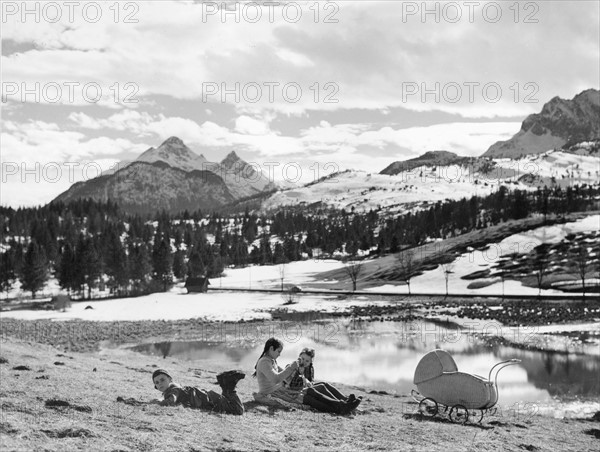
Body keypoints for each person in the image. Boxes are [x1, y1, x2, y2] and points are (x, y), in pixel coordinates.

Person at [253, 338, 361, 415]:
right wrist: (291, 368)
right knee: (308, 397)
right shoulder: (264, 362)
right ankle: (339, 407)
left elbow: (284, 373)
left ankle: (343, 403)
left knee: (317, 389)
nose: (280, 354)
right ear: (271, 349)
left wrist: (295, 372)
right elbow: (275, 378)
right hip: (273, 393)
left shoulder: (271, 360)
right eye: (278, 351)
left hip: (281, 390)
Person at [151, 368, 245, 415]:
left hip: (209, 401)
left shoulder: (173, 390)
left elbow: (171, 399)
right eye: (157, 382)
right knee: (228, 402)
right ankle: (225, 383)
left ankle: (230, 385)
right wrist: (159, 399)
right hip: (207, 396)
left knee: (238, 410)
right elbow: (167, 395)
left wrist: (160, 403)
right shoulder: (173, 387)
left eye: (162, 380)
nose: (159, 384)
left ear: (170, 379)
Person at [285, 347, 361, 403]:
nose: (304, 362)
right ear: (299, 357)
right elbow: (292, 383)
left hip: (307, 387)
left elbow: (310, 381)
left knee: (325, 383)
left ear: (310, 362)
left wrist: (309, 383)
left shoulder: (309, 368)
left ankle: (345, 399)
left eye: (307, 361)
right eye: (302, 358)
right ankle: (339, 402)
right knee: (321, 387)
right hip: (298, 390)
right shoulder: (293, 366)